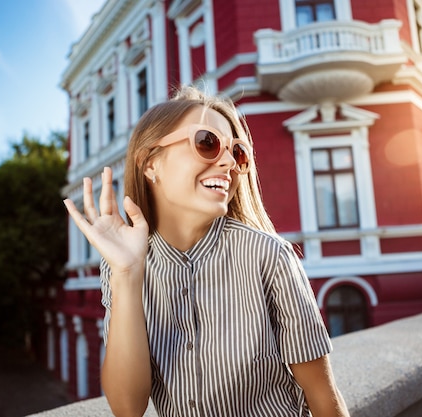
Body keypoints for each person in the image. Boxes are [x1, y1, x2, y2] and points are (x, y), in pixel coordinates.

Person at [63, 85, 349, 417]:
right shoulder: (121, 264)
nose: (228, 162)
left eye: (237, 152)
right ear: (150, 164)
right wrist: (127, 275)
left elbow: (323, 396)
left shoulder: (269, 256)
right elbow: (128, 408)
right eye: (207, 143)